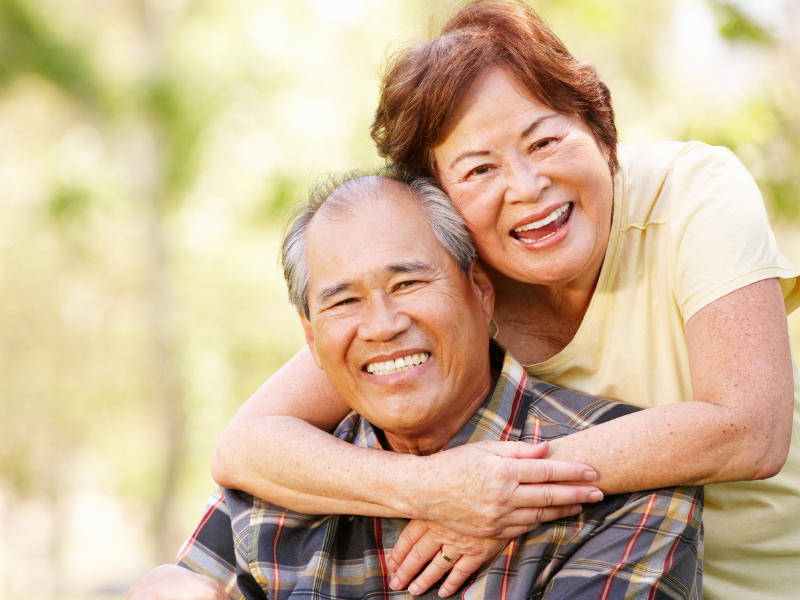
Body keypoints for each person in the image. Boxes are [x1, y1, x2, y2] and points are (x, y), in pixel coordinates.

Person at [211, 2, 800, 599]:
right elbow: (247, 446)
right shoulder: (453, 288)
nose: (525, 187)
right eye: (478, 169)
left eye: (544, 141)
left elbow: (751, 429)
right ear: (436, 198)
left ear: (599, 129)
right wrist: (432, 488)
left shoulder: (691, 194)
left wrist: (501, 491)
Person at [129, 172, 702, 600]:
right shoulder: (280, 481)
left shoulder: (628, 478)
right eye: (344, 301)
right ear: (310, 336)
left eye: (407, 283)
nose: (381, 325)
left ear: (481, 290)